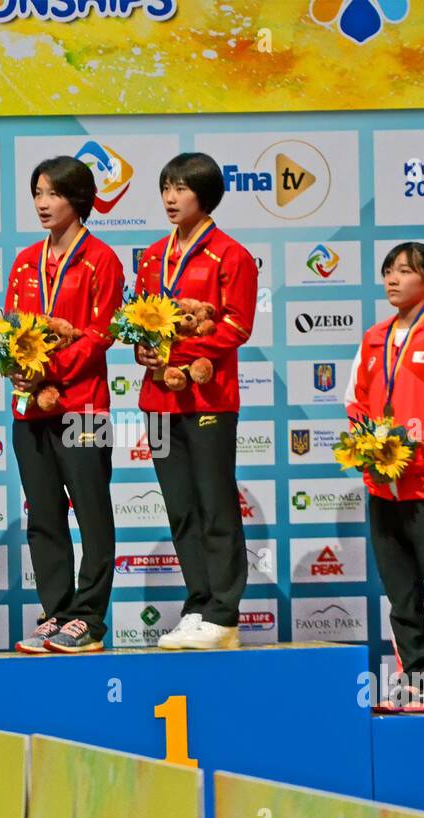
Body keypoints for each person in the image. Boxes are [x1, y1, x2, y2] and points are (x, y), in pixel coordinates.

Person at [132, 152, 258, 651]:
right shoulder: (151, 256)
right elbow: (141, 317)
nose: (169, 197)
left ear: (204, 195)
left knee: (214, 505)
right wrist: (142, 345)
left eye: (181, 188)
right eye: (165, 186)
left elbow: (237, 325)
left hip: (208, 398)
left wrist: (184, 354)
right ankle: (198, 604)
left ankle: (224, 612)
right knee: (181, 508)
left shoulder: (232, 255)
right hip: (157, 399)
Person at [346, 242, 424, 713]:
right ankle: (411, 680)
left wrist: (413, 454)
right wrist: (369, 448)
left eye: (405, 271)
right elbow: (355, 401)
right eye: (388, 271)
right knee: (400, 591)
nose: (393, 279)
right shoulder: (374, 337)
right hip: (382, 485)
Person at [6, 156, 124, 653]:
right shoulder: (26, 260)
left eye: (52, 193)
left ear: (78, 199)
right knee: (44, 514)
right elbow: (10, 328)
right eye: (37, 192)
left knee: (92, 512)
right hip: (30, 409)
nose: (41, 203)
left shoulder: (103, 259)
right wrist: (15, 363)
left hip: (83, 407)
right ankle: (56, 612)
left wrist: (47, 369)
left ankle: (89, 619)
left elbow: (101, 336)